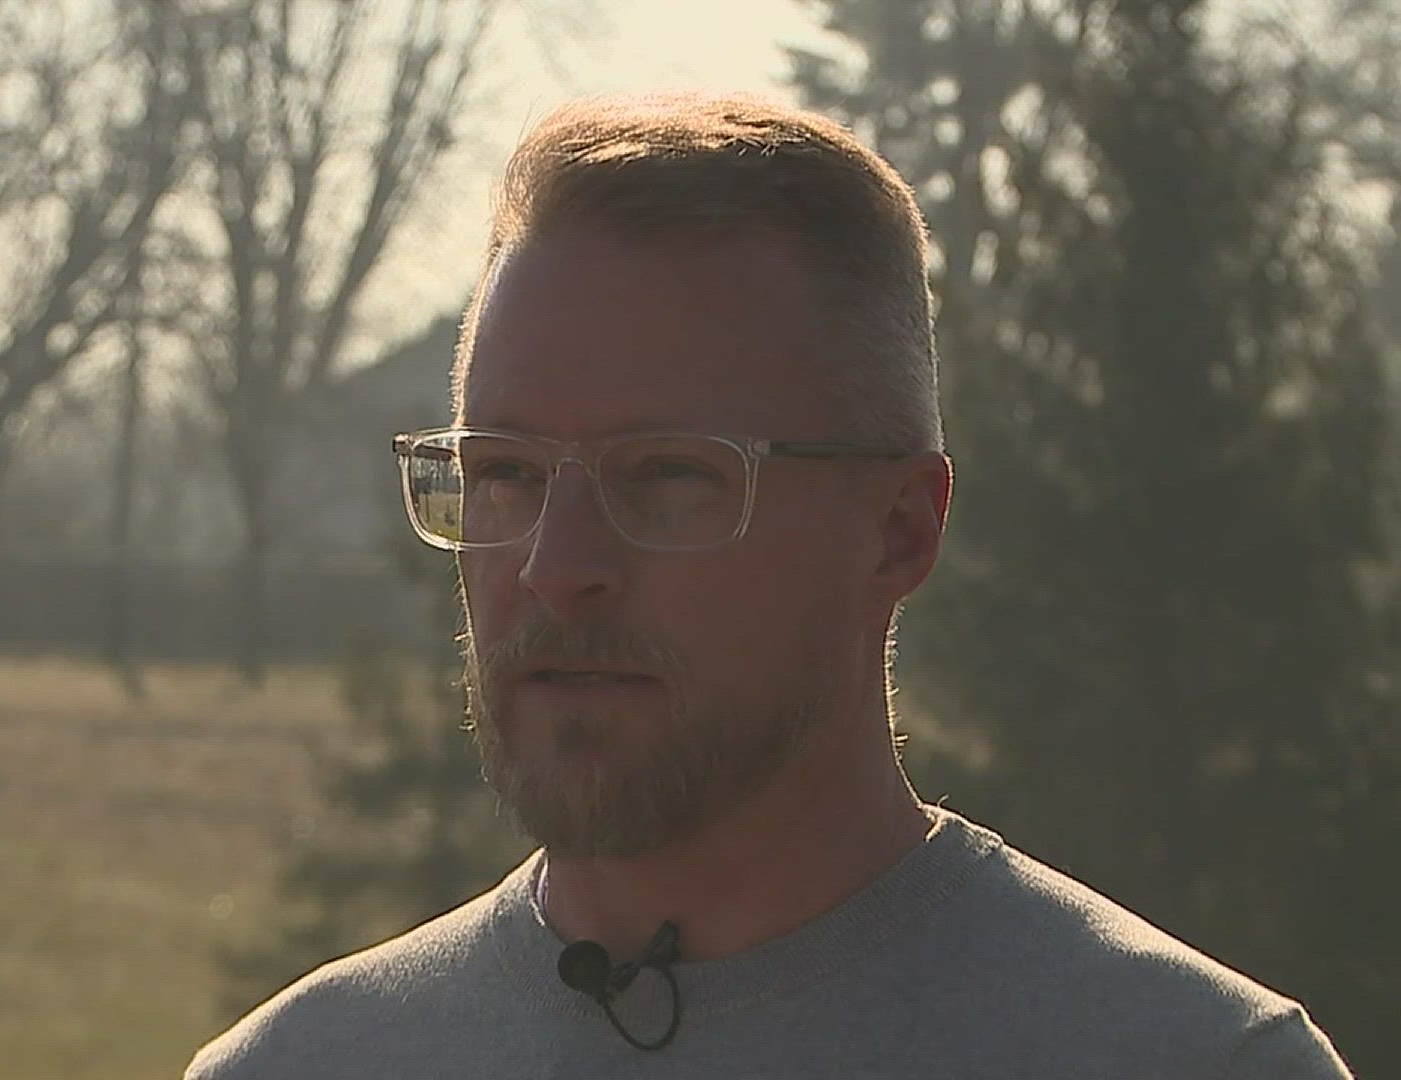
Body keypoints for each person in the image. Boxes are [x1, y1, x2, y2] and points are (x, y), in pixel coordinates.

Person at [185, 91, 1353, 1079]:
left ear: (897, 532)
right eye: (504, 474)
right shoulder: (304, 1062)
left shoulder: (1184, 1058)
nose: (557, 567)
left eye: (670, 479)